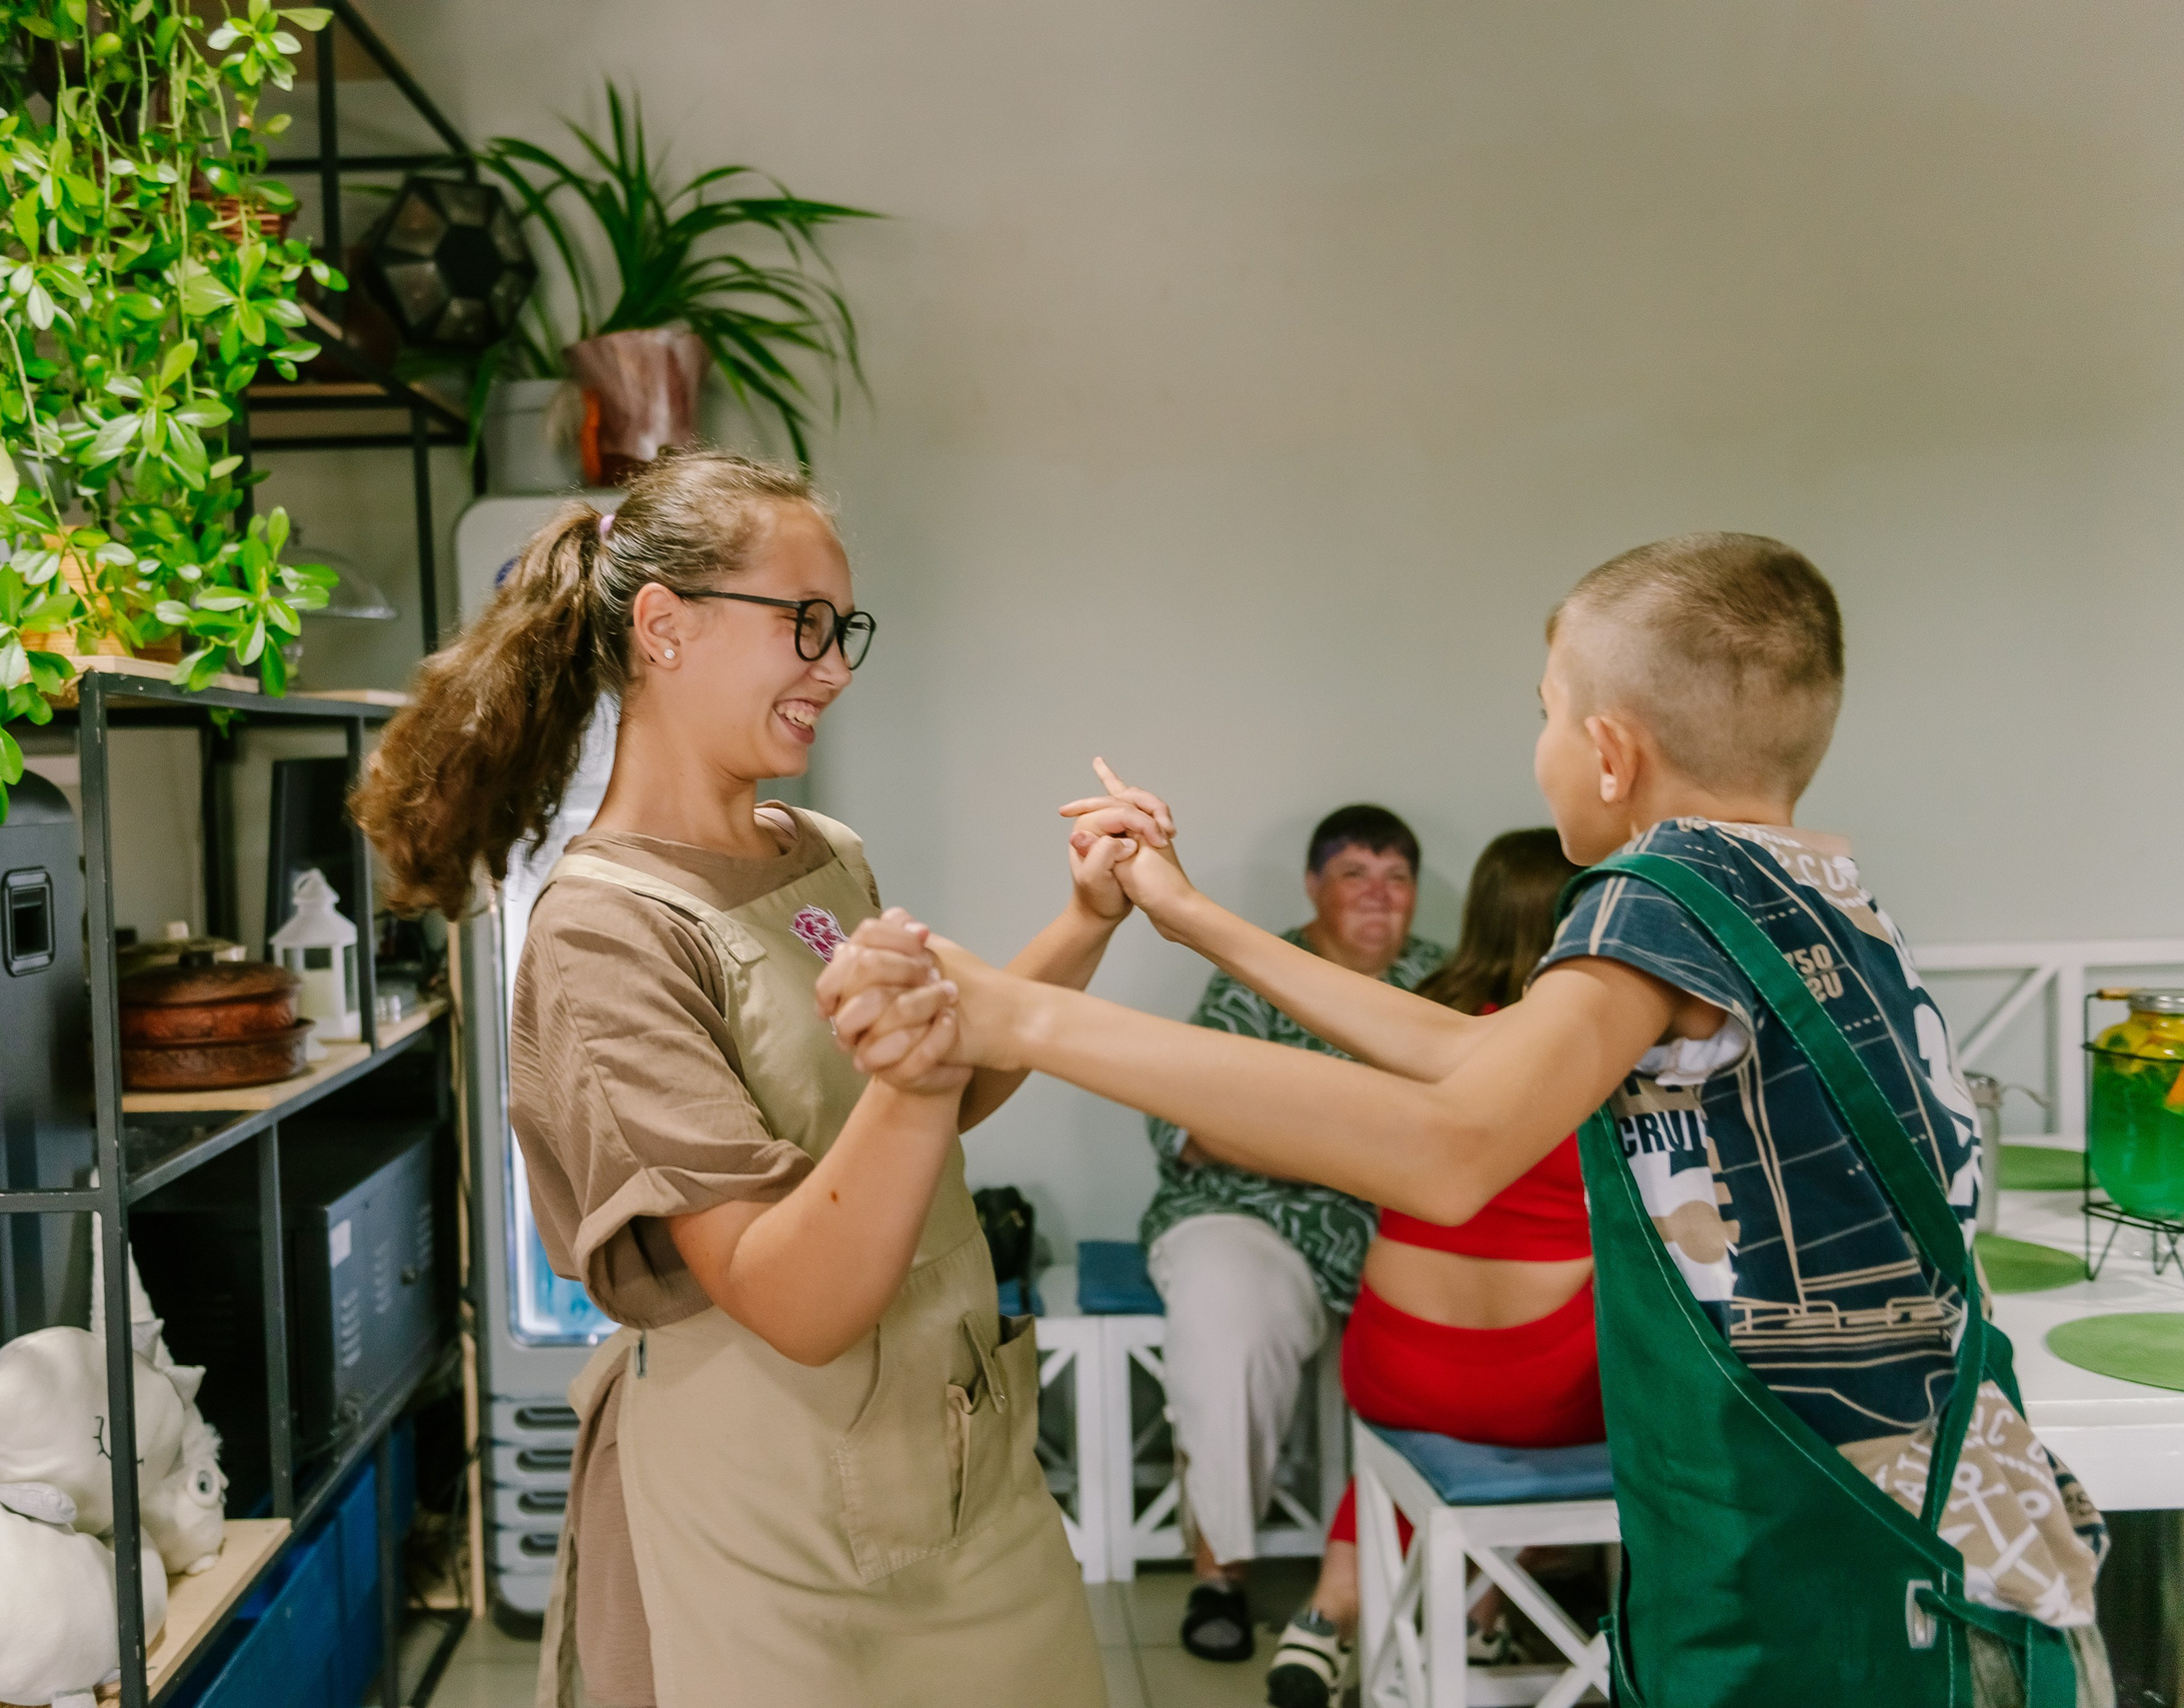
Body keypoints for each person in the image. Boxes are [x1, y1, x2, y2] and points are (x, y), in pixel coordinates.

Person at [820, 534, 2111, 1707]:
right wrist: (1195, 917)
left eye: (1543, 713)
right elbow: (1472, 1059)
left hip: (1811, 1547)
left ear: (1609, 750)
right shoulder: (1810, 888)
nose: (1541, 743)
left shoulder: (1652, 891)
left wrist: (1018, 1018)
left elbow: (1449, 1151)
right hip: (1952, 1524)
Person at [354, 449, 1118, 1708]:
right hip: (784, 1532)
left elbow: (932, 1096)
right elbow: (793, 1294)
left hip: (962, 1472)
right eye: (804, 624)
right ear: (663, 626)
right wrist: (920, 1084)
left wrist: (1084, 919)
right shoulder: (607, 935)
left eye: (844, 626)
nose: (836, 664)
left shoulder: (816, 852)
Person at [1263, 828, 1596, 1708]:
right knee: (1653, 1356)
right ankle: (1506, 1608)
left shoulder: (1414, 1026)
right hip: (1542, 1388)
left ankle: (1329, 1611)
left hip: (1393, 1360)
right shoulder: (1598, 1050)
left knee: (1442, 1423)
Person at [1141, 806, 1444, 1663]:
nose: (1379, 897)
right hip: (1251, 1217)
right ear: (1315, 886)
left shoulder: (1444, 978)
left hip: (1405, 1233)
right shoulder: (1260, 972)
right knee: (1232, 1312)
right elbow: (1188, 1120)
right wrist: (1341, 1156)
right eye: (1356, 875)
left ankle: (1466, 1570)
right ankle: (1221, 1572)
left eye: (1397, 877)